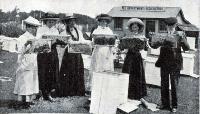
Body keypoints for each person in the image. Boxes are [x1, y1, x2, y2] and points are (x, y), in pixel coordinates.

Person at [152, 17, 190, 112]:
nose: (169, 27)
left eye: (171, 25)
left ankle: (174, 106)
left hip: (175, 63)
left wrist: (182, 39)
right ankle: (164, 104)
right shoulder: (162, 35)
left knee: (174, 85)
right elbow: (154, 46)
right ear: (166, 26)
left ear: (175, 25)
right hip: (164, 62)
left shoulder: (180, 34)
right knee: (164, 84)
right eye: (168, 25)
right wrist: (153, 39)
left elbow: (187, 48)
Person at [52, 13, 90, 97]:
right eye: (70, 21)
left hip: (77, 54)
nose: (72, 23)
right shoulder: (64, 32)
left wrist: (87, 43)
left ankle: (78, 91)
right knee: (69, 71)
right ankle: (67, 91)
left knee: (78, 71)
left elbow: (82, 40)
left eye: (73, 21)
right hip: (68, 55)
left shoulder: (78, 31)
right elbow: (60, 42)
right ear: (67, 23)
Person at [14, 18, 40, 109]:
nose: (34, 30)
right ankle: (21, 101)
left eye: (35, 28)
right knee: (24, 81)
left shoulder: (35, 38)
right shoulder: (22, 38)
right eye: (33, 28)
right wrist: (26, 44)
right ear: (28, 27)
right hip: (24, 61)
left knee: (31, 81)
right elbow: (20, 51)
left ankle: (28, 100)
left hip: (32, 61)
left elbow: (36, 50)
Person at [121, 18, 147, 101]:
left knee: (137, 74)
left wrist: (145, 43)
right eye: (133, 27)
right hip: (129, 56)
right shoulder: (128, 36)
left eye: (136, 27)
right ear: (131, 28)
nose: (134, 29)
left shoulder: (142, 37)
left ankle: (137, 93)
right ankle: (127, 92)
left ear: (139, 28)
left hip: (137, 56)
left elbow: (145, 48)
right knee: (128, 73)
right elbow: (122, 47)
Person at [35, 12, 59, 102]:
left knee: (51, 72)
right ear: (45, 21)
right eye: (49, 21)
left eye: (52, 21)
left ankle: (48, 93)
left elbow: (57, 41)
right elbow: (38, 40)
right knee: (42, 72)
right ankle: (41, 93)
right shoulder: (41, 29)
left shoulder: (56, 30)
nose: (51, 23)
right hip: (43, 52)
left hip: (52, 52)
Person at [89, 14, 115, 93]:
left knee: (106, 67)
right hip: (99, 51)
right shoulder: (96, 30)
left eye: (105, 21)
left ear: (107, 23)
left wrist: (112, 47)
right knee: (98, 67)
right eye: (102, 21)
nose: (103, 23)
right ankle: (96, 87)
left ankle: (106, 86)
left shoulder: (109, 31)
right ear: (99, 22)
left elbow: (112, 42)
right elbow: (93, 42)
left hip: (107, 51)